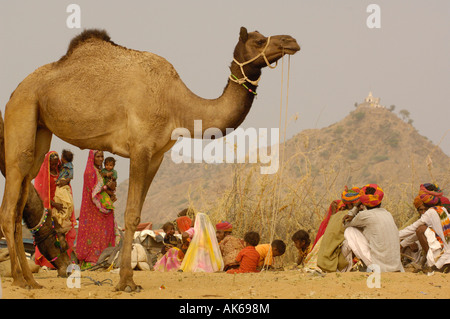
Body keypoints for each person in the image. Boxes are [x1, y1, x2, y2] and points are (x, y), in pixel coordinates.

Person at [343, 184, 404, 272]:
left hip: (380, 267)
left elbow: (345, 223)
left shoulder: (364, 215)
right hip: (396, 266)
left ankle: (368, 267)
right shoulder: (387, 213)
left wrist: (355, 207)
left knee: (350, 231)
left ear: (363, 202)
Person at [33, 151, 77, 268]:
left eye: (54, 164)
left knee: (63, 234)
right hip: (50, 209)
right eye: (51, 164)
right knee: (50, 237)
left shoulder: (60, 172)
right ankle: (48, 263)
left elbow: (67, 182)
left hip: (60, 207)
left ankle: (64, 261)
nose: (53, 166)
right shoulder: (43, 175)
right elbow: (41, 195)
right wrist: (54, 204)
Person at [76, 150, 116, 268]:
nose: (101, 159)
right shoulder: (90, 172)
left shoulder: (100, 171)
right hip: (93, 209)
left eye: (102, 156)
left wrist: (110, 189)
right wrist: (105, 187)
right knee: (94, 234)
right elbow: (92, 191)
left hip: (102, 207)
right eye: (98, 156)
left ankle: (104, 258)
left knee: (105, 231)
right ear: (92, 158)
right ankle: (91, 260)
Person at [399, 183, 450, 272]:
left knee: (420, 230)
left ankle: (434, 266)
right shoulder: (443, 210)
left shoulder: (430, 213)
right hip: (447, 252)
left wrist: (392, 236)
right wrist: (402, 244)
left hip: (444, 256)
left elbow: (412, 229)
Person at [315, 186, 360, 272]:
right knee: (352, 238)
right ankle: (349, 268)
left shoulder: (336, 215)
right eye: (357, 204)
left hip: (324, 262)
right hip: (333, 263)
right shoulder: (350, 217)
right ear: (350, 204)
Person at [52, 149, 75, 233]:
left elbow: (71, 176)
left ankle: (64, 219)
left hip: (63, 185)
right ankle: (61, 220)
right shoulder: (61, 165)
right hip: (59, 185)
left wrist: (65, 181)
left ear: (63, 158)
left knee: (65, 202)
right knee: (60, 200)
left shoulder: (69, 166)